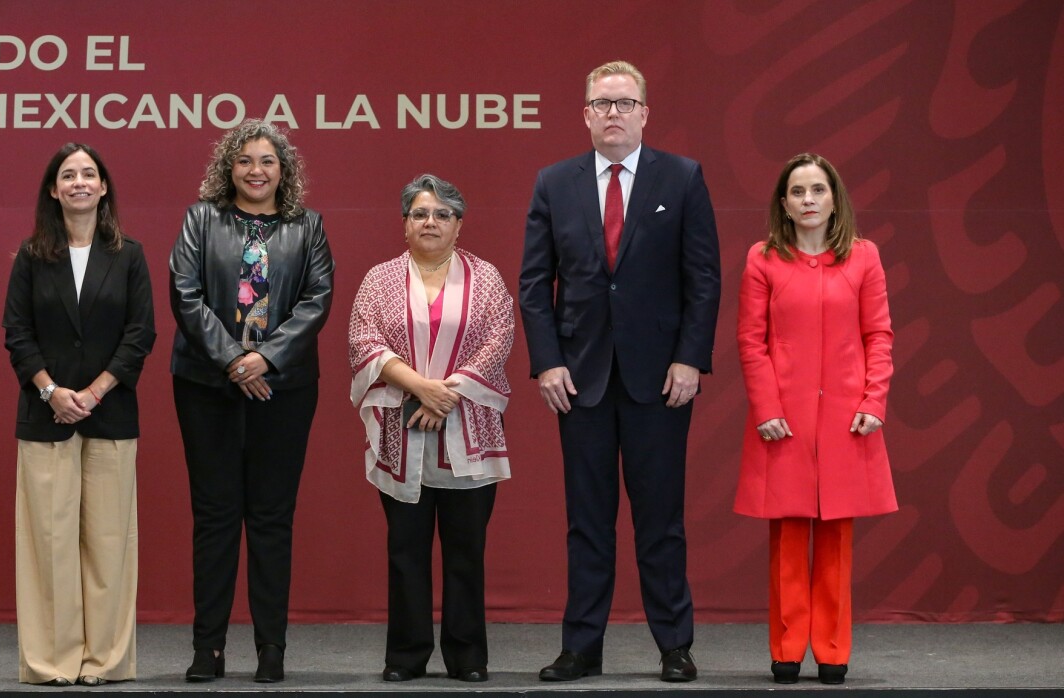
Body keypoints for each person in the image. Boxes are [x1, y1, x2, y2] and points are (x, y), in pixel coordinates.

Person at [518, 60, 721, 683]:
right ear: (584, 114)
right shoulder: (555, 182)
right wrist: (547, 363)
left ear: (643, 113)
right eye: (601, 103)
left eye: (624, 102)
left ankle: (674, 646)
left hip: (659, 380)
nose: (612, 113)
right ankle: (582, 648)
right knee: (587, 521)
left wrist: (690, 358)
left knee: (661, 520)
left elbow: (704, 280)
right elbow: (534, 285)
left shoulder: (682, 177)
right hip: (579, 382)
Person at [169, 119, 334, 684]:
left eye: (267, 161)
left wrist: (265, 359)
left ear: (282, 170)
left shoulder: (307, 226)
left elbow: (317, 299)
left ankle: (271, 650)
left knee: (270, 519)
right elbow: (184, 294)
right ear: (228, 168)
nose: (255, 170)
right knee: (214, 518)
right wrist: (233, 362)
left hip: (283, 389)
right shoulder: (200, 219)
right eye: (244, 160)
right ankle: (207, 649)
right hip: (205, 385)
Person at [734, 153, 896, 686]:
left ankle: (831, 651)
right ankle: (785, 650)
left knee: (836, 537)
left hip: (847, 416)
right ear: (783, 203)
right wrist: (768, 409)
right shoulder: (763, 259)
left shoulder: (864, 257)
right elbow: (750, 343)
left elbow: (879, 335)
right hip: (784, 418)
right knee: (788, 535)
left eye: (817, 190)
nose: (808, 200)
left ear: (834, 199)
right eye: (798, 191)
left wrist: (874, 400)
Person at [348, 174, 514, 684]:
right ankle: (406, 656)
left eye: (442, 214)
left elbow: (499, 339)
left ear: (459, 225)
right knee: (405, 552)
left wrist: (446, 396)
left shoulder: (487, 279)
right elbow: (365, 341)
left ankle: (467, 657)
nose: (431, 222)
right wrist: (422, 388)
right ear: (405, 224)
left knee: (466, 552)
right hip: (403, 432)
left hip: (468, 429)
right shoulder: (379, 280)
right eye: (420, 213)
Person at [2, 143, 155, 687]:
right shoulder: (30, 255)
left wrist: (94, 391)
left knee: (111, 544)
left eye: (89, 174)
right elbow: (16, 334)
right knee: (49, 542)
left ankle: (106, 661)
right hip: (45, 417)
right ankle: (52, 662)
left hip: (110, 415)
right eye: (69, 175)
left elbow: (141, 335)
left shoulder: (129, 254)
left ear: (104, 186)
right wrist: (51, 391)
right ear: (53, 189)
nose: (80, 182)